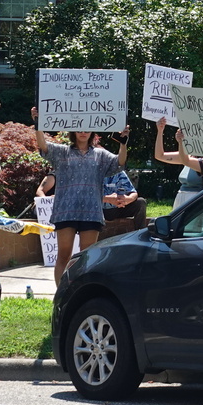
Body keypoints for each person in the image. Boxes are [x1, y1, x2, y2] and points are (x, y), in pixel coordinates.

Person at [30, 107, 125, 285]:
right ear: (73, 130)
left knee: (86, 256)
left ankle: (82, 293)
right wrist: (38, 123)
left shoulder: (101, 155)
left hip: (92, 211)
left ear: (92, 132)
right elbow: (43, 146)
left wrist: (123, 142)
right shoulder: (62, 152)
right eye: (79, 127)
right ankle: (61, 294)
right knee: (64, 254)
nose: (83, 131)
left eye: (87, 128)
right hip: (66, 211)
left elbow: (119, 163)